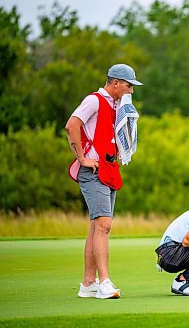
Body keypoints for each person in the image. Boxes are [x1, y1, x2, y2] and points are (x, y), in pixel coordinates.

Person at [65, 64, 143, 299]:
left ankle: (88, 283)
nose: (131, 91)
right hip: (93, 171)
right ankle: (105, 282)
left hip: (108, 169)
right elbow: (72, 125)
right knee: (104, 225)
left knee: (95, 226)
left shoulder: (117, 105)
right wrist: (81, 157)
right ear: (116, 83)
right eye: (129, 86)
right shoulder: (95, 100)